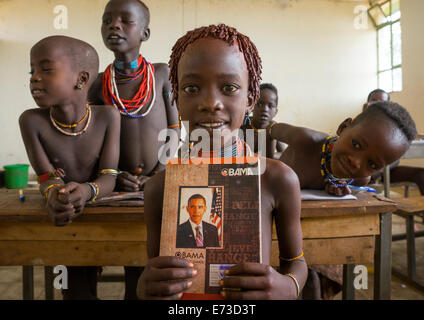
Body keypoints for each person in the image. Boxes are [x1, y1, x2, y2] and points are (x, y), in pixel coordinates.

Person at [136, 24, 307, 300]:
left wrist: (289, 286)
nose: (211, 103)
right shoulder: (160, 187)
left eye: (229, 87)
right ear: (176, 98)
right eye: (192, 88)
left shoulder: (276, 178)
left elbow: (296, 262)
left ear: (251, 97)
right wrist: (146, 287)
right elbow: (157, 269)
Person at [87, 0, 179, 299]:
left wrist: (161, 173)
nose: (114, 25)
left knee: (146, 266)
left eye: (126, 21)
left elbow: (175, 130)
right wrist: (113, 176)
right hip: (118, 186)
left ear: (145, 33)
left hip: (161, 182)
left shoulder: (162, 74)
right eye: (107, 20)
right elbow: (94, 141)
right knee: (128, 256)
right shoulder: (98, 84)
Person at [19, 35, 121, 299]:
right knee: (74, 289)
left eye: (46, 69)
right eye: (33, 71)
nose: (34, 77)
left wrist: (87, 191)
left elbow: (110, 176)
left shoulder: (108, 116)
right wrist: (55, 193)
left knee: (135, 279)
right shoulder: (31, 122)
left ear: (82, 79)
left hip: (104, 215)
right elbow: (46, 177)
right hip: (65, 214)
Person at [271, 101, 417, 196]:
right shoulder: (304, 140)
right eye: (356, 145)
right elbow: (269, 127)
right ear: (343, 127)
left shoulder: (359, 179)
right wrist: (262, 164)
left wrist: (333, 183)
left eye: (372, 164)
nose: (356, 163)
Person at [365, 89, 424, 195]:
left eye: (382, 102)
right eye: (374, 101)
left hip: (386, 170)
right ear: (367, 103)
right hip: (366, 171)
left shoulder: (392, 124)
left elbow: (406, 140)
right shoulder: (360, 124)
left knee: (421, 174)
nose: (378, 104)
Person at [240, 83, 285, 159]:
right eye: (260, 104)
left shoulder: (274, 129)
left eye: (270, 106)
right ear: (252, 106)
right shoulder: (243, 125)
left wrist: (272, 156)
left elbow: (283, 153)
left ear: (275, 112)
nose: (265, 109)